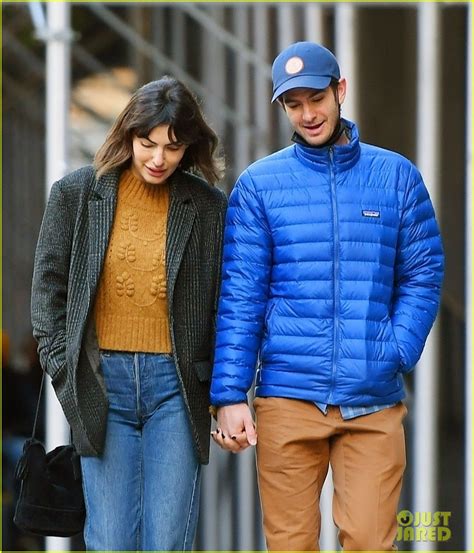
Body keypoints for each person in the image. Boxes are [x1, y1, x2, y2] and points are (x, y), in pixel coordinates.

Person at [210, 42, 444, 551]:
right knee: (291, 543)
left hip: (372, 401)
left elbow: (423, 272)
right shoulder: (258, 186)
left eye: (316, 98)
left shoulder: (397, 177)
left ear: (340, 90)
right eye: (293, 104)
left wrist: (395, 349)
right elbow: (241, 294)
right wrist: (229, 395)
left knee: (368, 539)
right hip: (287, 399)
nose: (308, 114)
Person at [31, 75, 227, 551]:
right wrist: (68, 372)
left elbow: (227, 304)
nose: (158, 159)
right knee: (110, 539)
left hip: (177, 390)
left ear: (189, 148)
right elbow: (46, 296)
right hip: (103, 384)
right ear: (127, 135)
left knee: (167, 540)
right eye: (147, 143)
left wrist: (224, 388)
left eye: (173, 147)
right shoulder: (76, 195)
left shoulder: (207, 207)